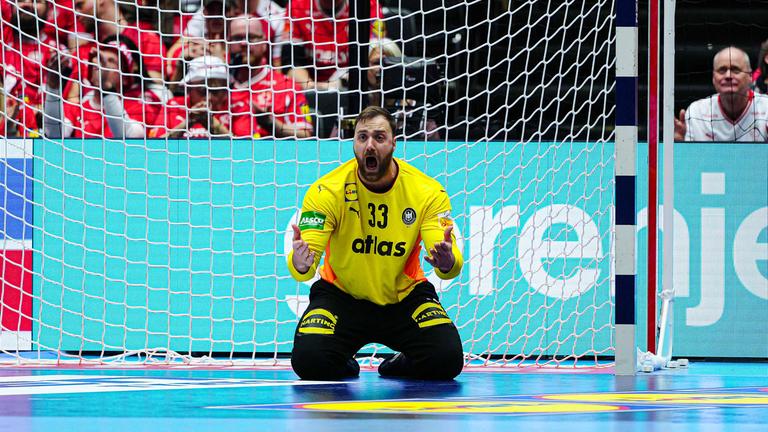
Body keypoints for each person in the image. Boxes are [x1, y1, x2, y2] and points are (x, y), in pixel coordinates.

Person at [287, 106, 464, 380]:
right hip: (341, 296)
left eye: (379, 137)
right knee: (309, 361)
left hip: (404, 297)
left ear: (394, 143)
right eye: (362, 137)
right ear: (354, 143)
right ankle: (346, 364)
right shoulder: (326, 190)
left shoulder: (427, 191)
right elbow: (305, 264)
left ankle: (397, 364)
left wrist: (448, 261)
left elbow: (446, 263)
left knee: (447, 360)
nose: (370, 145)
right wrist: (298, 263)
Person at [43, 35, 156, 138]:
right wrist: (53, 87)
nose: (101, 64)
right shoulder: (76, 108)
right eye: (99, 58)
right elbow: (54, 135)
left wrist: (107, 88)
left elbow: (127, 138)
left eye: (111, 61)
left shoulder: (139, 109)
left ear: (126, 78)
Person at [227, 14, 313, 138]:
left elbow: (306, 134)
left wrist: (270, 123)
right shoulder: (216, 86)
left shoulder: (286, 86)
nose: (243, 43)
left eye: (250, 37)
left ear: (264, 43)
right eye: (236, 38)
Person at [674, 46, 768, 141]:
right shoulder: (697, 112)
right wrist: (680, 144)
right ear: (713, 78)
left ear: (750, 76)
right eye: (722, 70)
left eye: (735, 69)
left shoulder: (766, 108)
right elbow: (690, 155)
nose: (728, 76)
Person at [287, 0, 385, 90]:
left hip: (353, 83)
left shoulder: (368, 5)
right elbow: (290, 63)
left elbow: (374, 57)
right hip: (310, 86)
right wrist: (312, 87)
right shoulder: (297, 6)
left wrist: (340, 83)